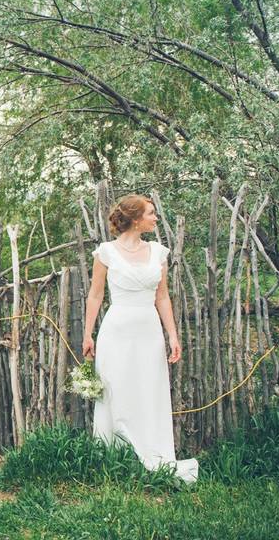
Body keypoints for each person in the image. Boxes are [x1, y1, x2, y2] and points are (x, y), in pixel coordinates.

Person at [83, 194, 198, 483]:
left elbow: (162, 297)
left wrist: (172, 335)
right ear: (135, 219)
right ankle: (113, 456)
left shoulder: (158, 252)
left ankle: (152, 452)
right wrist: (88, 334)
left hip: (148, 330)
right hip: (116, 330)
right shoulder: (105, 253)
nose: (155, 218)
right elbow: (96, 295)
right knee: (115, 390)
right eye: (151, 213)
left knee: (149, 389)